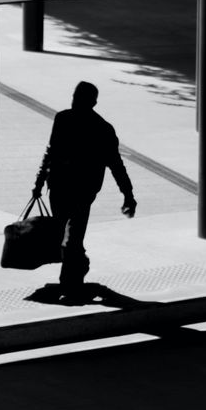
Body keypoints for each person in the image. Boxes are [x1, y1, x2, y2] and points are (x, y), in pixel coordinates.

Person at [32, 81, 137, 303]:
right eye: (74, 95)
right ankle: (76, 272)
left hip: (78, 190)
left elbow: (115, 164)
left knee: (72, 236)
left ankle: (70, 282)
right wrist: (39, 182)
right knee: (68, 235)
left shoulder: (100, 128)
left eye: (78, 96)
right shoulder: (67, 120)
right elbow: (51, 152)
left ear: (91, 102)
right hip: (64, 188)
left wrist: (128, 194)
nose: (74, 100)